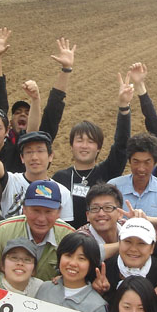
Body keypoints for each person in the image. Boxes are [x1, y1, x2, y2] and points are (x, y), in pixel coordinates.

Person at [52, 73, 133, 228]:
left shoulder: (107, 172)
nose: (84, 146)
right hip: (68, 238)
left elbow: (122, 145)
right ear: (71, 146)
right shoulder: (59, 178)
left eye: (90, 142)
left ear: (98, 148)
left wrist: (124, 107)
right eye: (79, 140)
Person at [0, 28, 72, 145]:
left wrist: (66, 69)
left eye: (28, 113)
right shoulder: (1, 145)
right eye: (17, 112)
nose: (22, 114)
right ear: (9, 123)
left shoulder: (41, 141)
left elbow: (53, 110)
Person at [0, 130, 74, 223]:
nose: (34, 157)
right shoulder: (11, 182)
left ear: (50, 156)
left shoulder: (63, 193)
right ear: (22, 158)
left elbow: (64, 229)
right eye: (29, 152)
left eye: (40, 151)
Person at [0, 180, 75, 282]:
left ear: (59, 212)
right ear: (24, 209)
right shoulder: (4, 231)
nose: (41, 219)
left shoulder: (69, 236)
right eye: (36, 210)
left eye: (48, 212)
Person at [108, 133, 157, 217]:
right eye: (136, 162)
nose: (141, 168)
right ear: (129, 161)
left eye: (147, 162)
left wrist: (145, 219)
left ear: (155, 162)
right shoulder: (114, 187)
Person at [78, 184, 124, 263]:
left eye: (108, 208)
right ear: (88, 215)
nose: (101, 214)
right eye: (95, 208)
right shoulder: (80, 236)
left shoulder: (128, 227)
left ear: (120, 213)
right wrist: (129, 244)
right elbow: (91, 254)